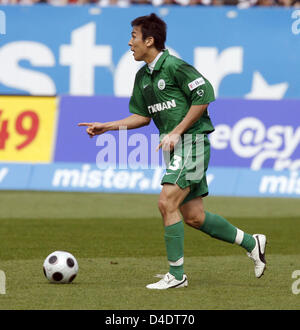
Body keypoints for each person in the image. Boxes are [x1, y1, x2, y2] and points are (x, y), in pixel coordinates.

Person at [78, 13, 267, 290]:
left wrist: (178, 130)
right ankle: (253, 242)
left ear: (149, 40)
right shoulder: (142, 76)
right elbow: (141, 117)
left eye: (134, 36)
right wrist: (107, 127)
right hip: (175, 149)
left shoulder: (175, 67)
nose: (130, 43)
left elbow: (205, 94)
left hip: (191, 143)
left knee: (166, 202)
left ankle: (177, 276)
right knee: (193, 216)